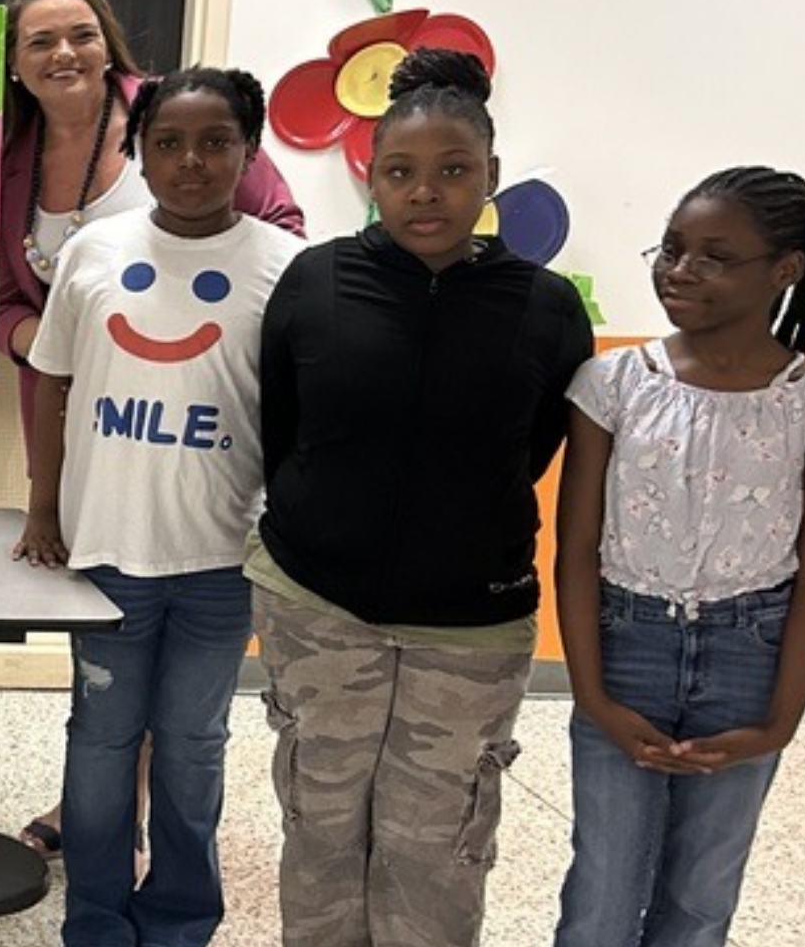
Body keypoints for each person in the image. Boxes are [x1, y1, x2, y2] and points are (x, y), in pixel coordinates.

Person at [249, 48, 594, 947]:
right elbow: (283, 429)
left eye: (453, 172)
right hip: (317, 608)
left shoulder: (546, 307)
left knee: (435, 850)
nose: (426, 193)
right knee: (321, 830)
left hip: (469, 632)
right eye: (400, 172)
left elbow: (533, 451)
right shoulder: (314, 282)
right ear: (372, 180)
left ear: (492, 177)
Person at [0, 0, 306, 857]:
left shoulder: (179, 118)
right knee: (112, 643)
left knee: (190, 673)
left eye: (81, 33)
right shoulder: (6, 151)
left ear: (110, 41)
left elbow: (281, 230)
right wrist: (34, 339)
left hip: (209, 423)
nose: (64, 53)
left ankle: (137, 823)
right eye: (40, 41)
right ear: (14, 64)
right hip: (87, 412)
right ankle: (101, 816)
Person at [551, 167, 805, 947]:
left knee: (701, 895)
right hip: (627, 649)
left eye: (714, 257)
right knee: (603, 891)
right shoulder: (615, 382)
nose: (680, 270)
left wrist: (780, 723)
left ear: (784, 271)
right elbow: (576, 552)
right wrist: (592, 695)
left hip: (749, 661)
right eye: (673, 248)